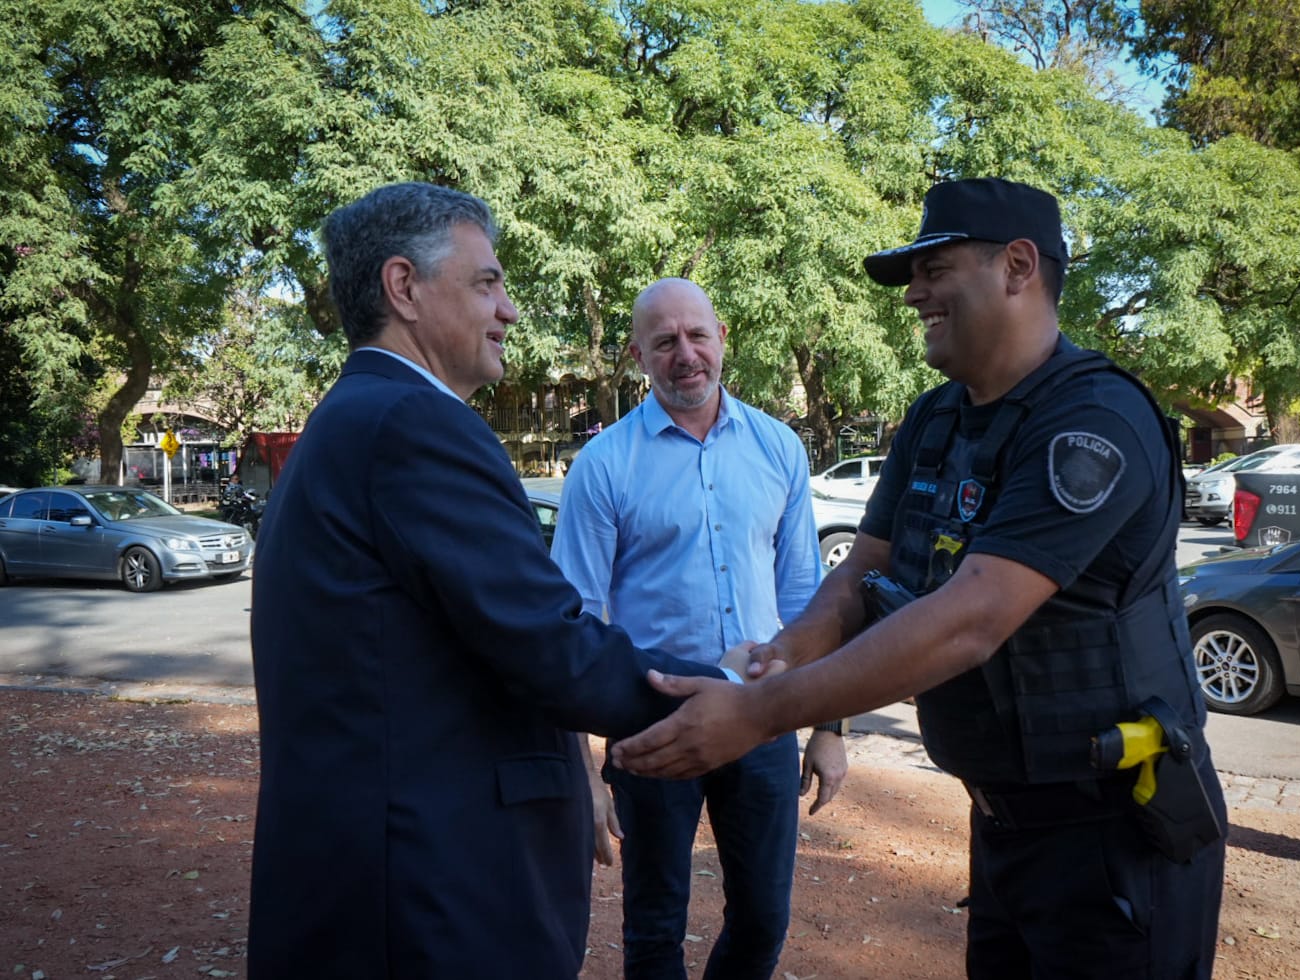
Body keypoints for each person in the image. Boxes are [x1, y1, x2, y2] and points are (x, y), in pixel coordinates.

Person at [611, 178, 1228, 978]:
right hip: (1004, 824)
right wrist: (781, 655)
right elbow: (865, 573)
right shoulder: (937, 421)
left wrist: (761, 713)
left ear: (1016, 265)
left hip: (1115, 832)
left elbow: (971, 619)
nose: (914, 294)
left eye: (934, 269)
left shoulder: (1092, 423)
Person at [248, 182, 743, 979]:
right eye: (487, 282)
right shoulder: (413, 425)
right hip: (425, 892)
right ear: (404, 288)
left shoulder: (359, 415)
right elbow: (546, 640)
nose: (509, 309)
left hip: (384, 874)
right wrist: (729, 690)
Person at [552, 277, 848, 979]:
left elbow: (810, 599)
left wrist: (830, 728)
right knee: (655, 923)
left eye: (696, 335)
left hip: (762, 709)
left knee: (764, 916)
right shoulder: (603, 466)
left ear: (723, 341)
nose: (685, 353)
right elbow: (570, 623)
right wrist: (580, 773)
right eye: (664, 342)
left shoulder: (779, 448)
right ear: (638, 357)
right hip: (652, 719)